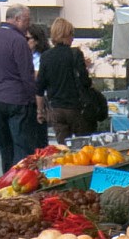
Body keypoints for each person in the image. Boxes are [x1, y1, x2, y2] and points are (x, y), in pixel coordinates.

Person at [0, 4, 36, 178]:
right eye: (27, 20)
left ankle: (7, 179)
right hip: (16, 97)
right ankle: (20, 180)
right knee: (20, 144)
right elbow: (26, 73)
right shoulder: (18, 41)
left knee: (5, 146)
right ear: (17, 19)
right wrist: (32, 98)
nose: (28, 24)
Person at [36, 16, 89, 144]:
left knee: (63, 146)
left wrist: (40, 111)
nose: (73, 38)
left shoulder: (46, 56)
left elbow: (40, 87)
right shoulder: (75, 54)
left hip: (56, 109)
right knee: (82, 145)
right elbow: (85, 81)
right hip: (75, 107)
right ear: (66, 34)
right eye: (72, 34)